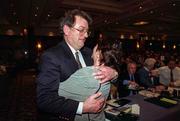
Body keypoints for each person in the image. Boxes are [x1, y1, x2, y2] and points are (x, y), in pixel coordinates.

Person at [36, 9, 118, 121]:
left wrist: (114, 73)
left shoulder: (90, 53)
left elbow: (105, 78)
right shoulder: (51, 56)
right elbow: (44, 100)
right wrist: (82, 107)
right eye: (81, 30)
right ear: (66, 29)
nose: (86, 35)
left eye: (87, 31)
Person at [58, 40, 120, 121]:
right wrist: (115, 72)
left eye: (95, 47)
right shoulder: (108, 75)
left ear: (98, 54)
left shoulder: (86, 73)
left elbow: (56, 92)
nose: (92, 50)